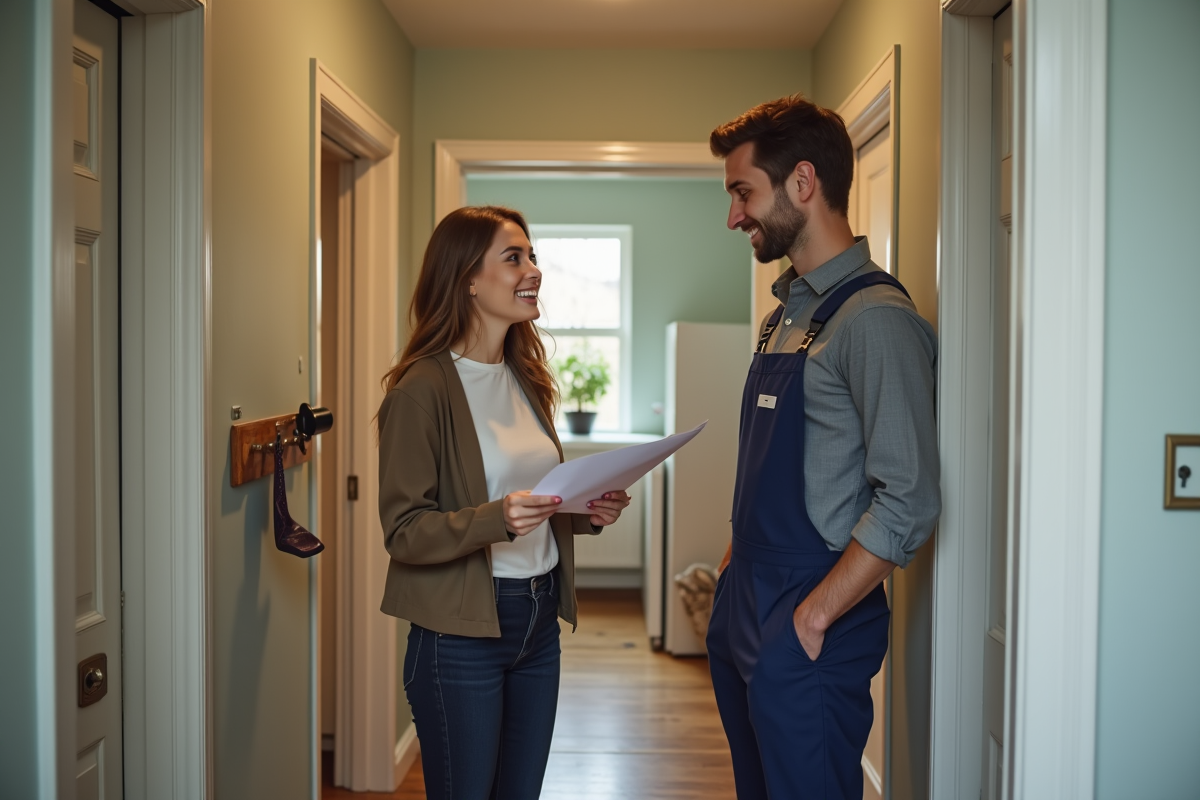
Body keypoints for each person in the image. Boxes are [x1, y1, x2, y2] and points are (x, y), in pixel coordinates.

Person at [705, 95, 941, 799]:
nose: (734, 215)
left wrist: (813, 616)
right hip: (745, 595)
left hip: (811, 613)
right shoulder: (785, 315)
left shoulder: (876, 322)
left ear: (802, 183)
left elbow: (911, 498)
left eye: (743, 192)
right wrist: (729, 569)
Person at [376, 205, 631, 800]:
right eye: (513, 257)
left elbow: (536, 497)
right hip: (460, 638)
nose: (533, 269)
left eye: (532, 255)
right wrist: (498, 520)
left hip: (538, 622)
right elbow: (404, 532)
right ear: (466, 277)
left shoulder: (526, 378)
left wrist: (586, 511)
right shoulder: (421, 391)